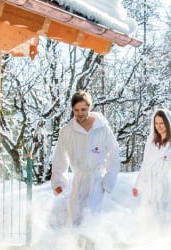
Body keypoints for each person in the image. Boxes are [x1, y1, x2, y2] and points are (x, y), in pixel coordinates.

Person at [50, 89, 120, 228]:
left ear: (90, 107)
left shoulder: (102, 128)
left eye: (83, 109)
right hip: (78, 179)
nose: (80, 113)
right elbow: (60, 156)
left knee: (90, 217)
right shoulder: (67, 131)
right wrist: (58, 181)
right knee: (75, 217)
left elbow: (114, 153)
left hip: (96, 180)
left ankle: (92, 241)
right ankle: (74, 242)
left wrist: (109, 179)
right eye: (76, 110)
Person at [132, 108, 171, 224]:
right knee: (150, 220)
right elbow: (145, 165)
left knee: (167, 219)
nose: (159, 126)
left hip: (166, 185)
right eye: (156, 123)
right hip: (150, 186)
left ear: (168, 123)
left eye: (162, 123)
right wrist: (138, 185)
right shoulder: (150, 141)